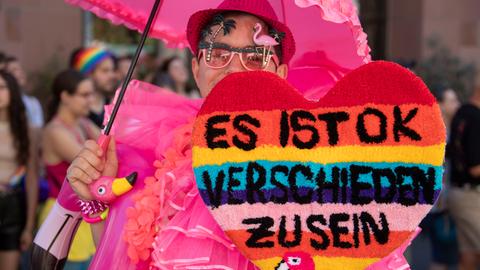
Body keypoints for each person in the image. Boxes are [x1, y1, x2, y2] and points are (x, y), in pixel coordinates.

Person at [67, 1, 290, 268]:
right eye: (218, 54)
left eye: (255, 58)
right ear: (197, 70)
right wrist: (96, 204)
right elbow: (125, 260)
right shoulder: (163, 154)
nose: (234, 70)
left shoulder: (316, 163)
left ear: (280, 75)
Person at [40, 70, 100, 269]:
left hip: (86, 214)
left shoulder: (83, 123)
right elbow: (94, 165)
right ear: (65, 97)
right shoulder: (54, 131)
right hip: (63, 214)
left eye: (91, 94)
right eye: (84, 95)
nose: (90, 100)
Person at [0, 71, 38, 270]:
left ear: (12, 91)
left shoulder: (26, 130)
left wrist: (29, 227)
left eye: (2, 87)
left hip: (12, 205)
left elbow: (32, 178)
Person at [447, 80, 480, 270]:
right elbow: (475, 168)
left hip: (460, 193)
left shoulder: (461, 113)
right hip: (470, 197)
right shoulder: (475, 119)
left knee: (468, 256)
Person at [71, 47, 117, 128]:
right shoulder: (76, 109)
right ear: (88, 74)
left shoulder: (113, 104)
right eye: (105, 71)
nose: (112, 76)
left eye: (112, 70)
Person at [5, 56, 44, 128]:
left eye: (20, 69)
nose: (20, 72)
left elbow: (38, 127)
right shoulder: (4, 102)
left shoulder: (33, 102)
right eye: (14, 70)